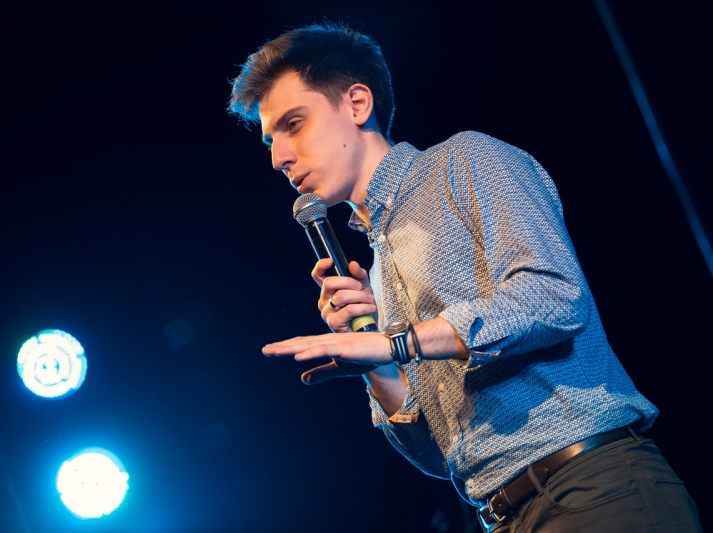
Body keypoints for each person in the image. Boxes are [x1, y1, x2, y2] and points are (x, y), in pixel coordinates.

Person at [229, 23, 701, 532]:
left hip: (592, 486)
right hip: (504, 516)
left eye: (294, 124)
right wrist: (375, 364)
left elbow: (556, 297)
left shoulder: (465, 161)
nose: (278, 158)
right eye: (271, 140)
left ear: (358, 104)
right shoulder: (379, 271)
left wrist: (396, 343)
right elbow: (441, 458)